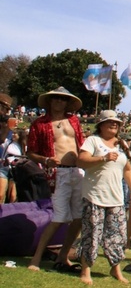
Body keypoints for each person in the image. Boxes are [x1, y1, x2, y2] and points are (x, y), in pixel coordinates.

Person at [77, 110, 131, 285]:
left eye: (117, 123)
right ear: (101, 125)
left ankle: (116, 269)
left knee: (117, 236)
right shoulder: (93, 141)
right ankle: (86, 270)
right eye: (110, 122)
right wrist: (103, 158)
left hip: (116, 199)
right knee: (92, 234)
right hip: (94, 196)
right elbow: (81, 160)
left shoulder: (121, 146)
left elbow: (127, 169)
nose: (114, 124)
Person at [27, 86, 85, 272]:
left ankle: (63, 255)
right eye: (56, 99)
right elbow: (30, 152)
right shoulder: (39, 124)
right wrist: (45, 160)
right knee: (59, 217)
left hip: (78, 171)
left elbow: (82, 145)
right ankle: (35, 258)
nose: (60, 102)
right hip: (57, 173)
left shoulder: (74, 121)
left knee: (78, 216)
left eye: (63, 99)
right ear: (50, 101)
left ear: (68, 102)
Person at [0, 93, 16, 203]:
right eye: (5, 108)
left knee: (10, 196)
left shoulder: (5, 123)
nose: (6, 112)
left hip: (6, 164)